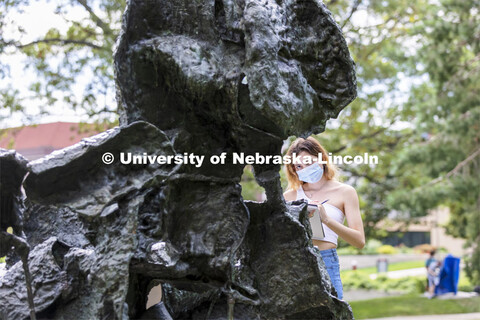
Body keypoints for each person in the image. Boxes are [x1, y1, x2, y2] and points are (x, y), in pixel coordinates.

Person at [282, 137, 365, 300]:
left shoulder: (345, 192)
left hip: (326, 260)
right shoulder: (288, 196)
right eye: (299, 166)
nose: (305, 168)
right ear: (293, 169)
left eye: (309, 162)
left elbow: (359, 241)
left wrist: (326, 219)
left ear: (322, 159)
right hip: (294, 263)